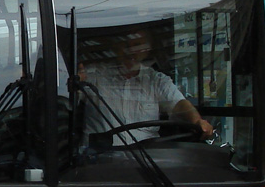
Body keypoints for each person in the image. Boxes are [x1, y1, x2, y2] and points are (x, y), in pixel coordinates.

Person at [81, 29, 213, 146]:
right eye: (126, 45)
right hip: (100, 158)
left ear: (147, 50)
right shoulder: (93, 76)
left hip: (147, 158)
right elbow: (67, 100)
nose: (130, 50)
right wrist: (76, 80)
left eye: (137, 45)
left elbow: (179, 104)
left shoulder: (156, 80)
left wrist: (197, 121)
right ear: (116, 47)